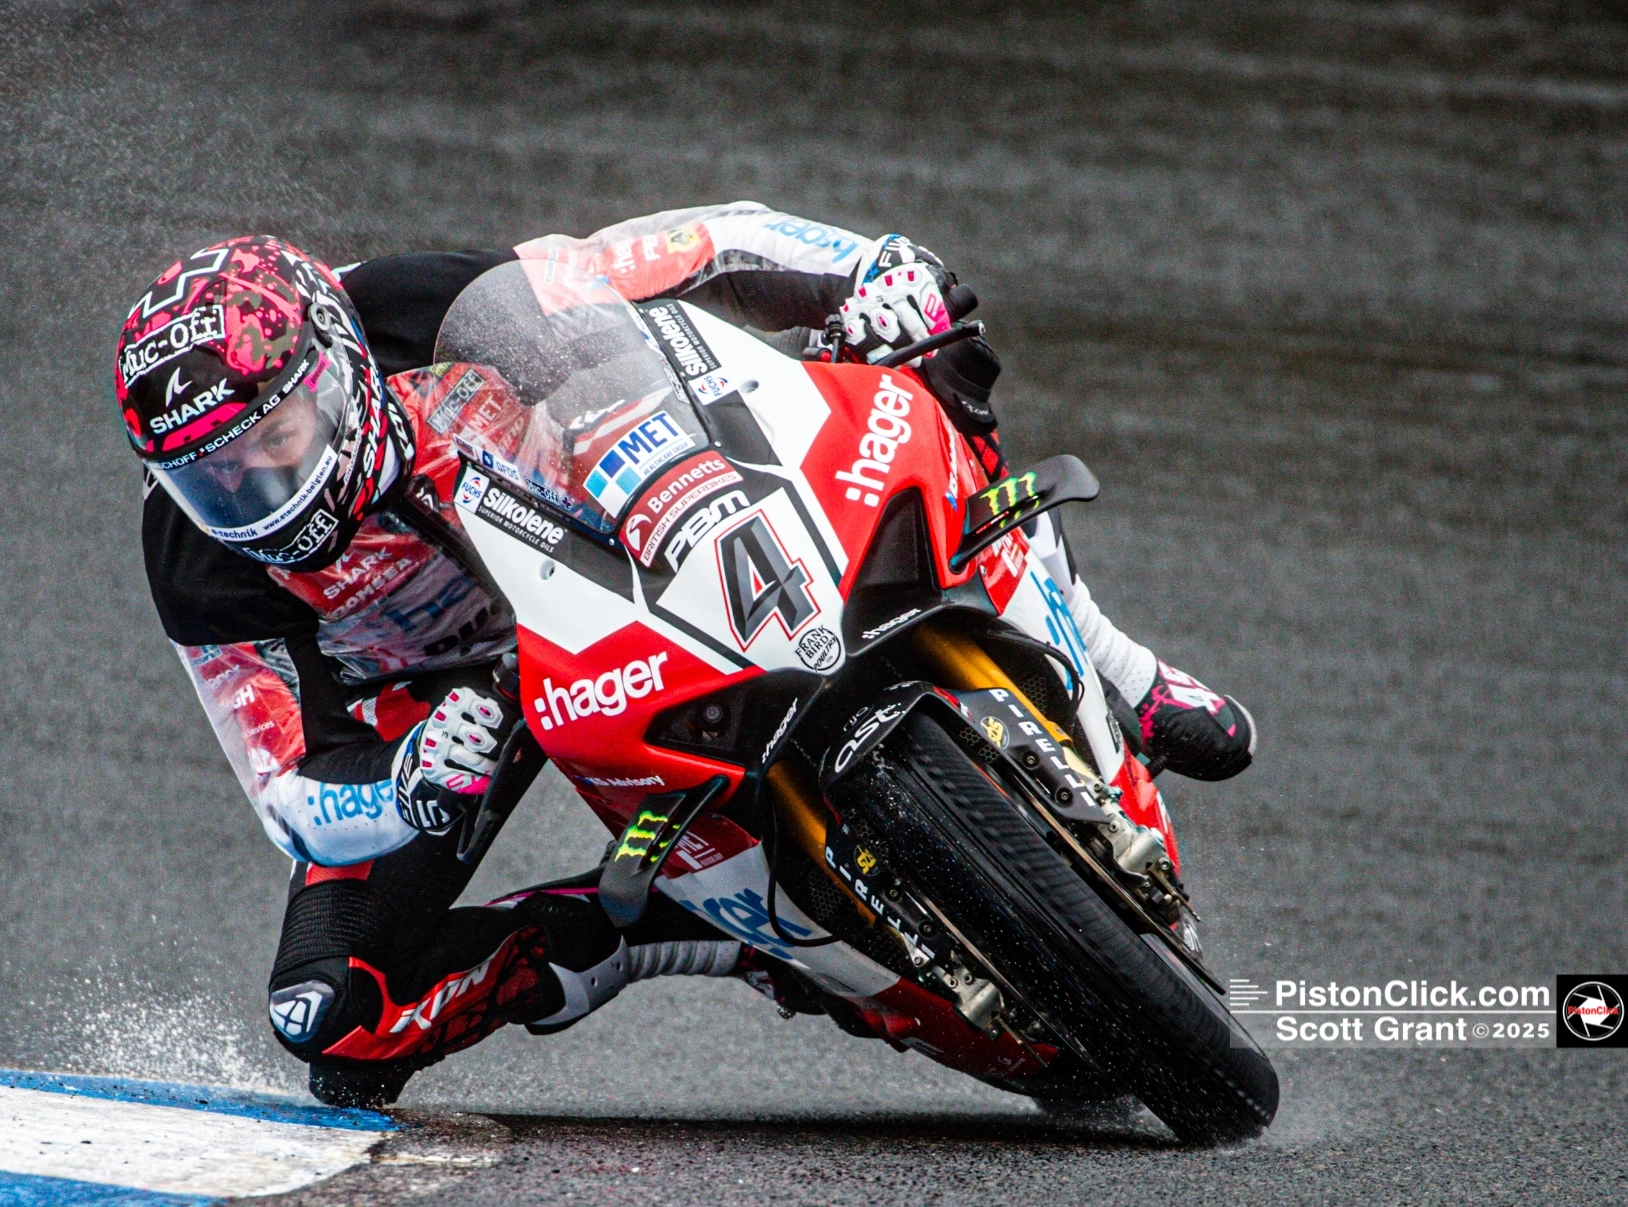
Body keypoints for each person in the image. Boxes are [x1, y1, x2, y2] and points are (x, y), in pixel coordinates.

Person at [113, 204, 1255, 1107]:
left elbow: (680, 247)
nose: (255, 493)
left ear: (329, 367)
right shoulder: (198, 561)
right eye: (213, 477)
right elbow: (286, 790)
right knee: (333, 1018)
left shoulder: (412, 306)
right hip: (449, 702)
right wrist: (404, 791)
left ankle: (1110, 666)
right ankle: (709, 934)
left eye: (272, 443)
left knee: (921, 360)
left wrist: (866, 271)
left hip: (608, 513)